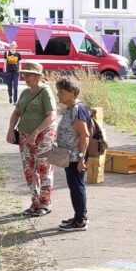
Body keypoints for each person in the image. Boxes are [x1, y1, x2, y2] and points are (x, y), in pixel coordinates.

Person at [5, 61, 57, 217]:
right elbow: (16, 112)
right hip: (24, 137)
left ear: (37, 76)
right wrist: (10, 129)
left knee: (44, 169)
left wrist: (36, 132)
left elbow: (51, 116)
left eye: (28, 74)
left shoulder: (45, 92)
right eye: (23, 74)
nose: (24, 77)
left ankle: (45, 203)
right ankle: (35, 203)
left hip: (43, 135)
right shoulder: (25, 93)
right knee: (29, 170)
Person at [54, 77, 91, 231]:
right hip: (69, 156)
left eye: (61, 92)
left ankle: (80, 220)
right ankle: (78, 216)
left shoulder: (77, 109)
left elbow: (85, 135)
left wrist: (82, 158)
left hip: (76, 157)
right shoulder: (70, 109)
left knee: (77, 187)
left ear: (71, 92)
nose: (58, 95)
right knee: (74, 186)